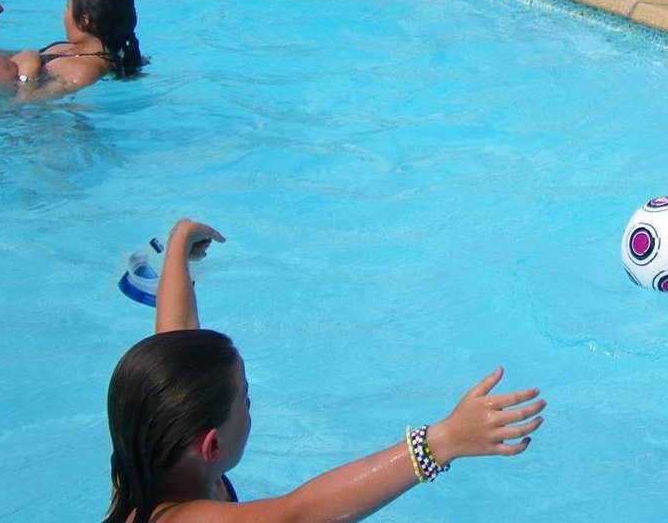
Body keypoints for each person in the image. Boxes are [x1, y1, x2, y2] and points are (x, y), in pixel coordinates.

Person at [104, 217, 544, 522]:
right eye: (246, 401)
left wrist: (179, 245)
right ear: (212, 445)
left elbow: (171, 348)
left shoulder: (146, 458)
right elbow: (300, 514)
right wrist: (441, 442)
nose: (251, 407)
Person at [17, 0, 144, 94]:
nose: (64, 13)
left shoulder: (84, 71)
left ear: (84, 20)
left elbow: (27, 106)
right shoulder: (66, 48)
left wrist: (28, 73)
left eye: (67, 6)